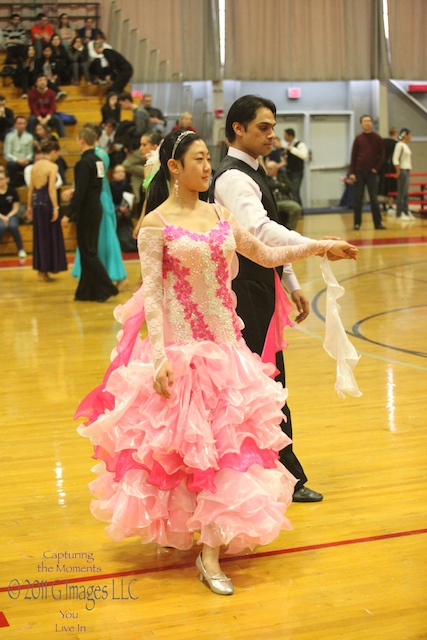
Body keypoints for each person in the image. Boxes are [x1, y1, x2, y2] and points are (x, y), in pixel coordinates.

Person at [75, 129, 357, 596]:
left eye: (209, 159)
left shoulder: (220, 215)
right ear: (174, 167)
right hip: (183, 353)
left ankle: (211, 553)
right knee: (187, 455)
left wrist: (319, 245)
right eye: (200, 160)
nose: (208, 168)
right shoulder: (155, 225)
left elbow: (265, 253)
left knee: (228, 453)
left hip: (228, 351)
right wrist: (162, 357)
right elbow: (155, 295)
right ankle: (200, 545)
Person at [211, 95, 331, 502]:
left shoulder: (252, 172)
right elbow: (259, 234)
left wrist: (292, 282)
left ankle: (273, 471)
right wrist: (317, 245)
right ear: (238, 129)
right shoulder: (233, 178)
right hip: (243, 296)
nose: (272, 134)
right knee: (262, 383)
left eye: (272, 126)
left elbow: (269, 233)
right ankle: (282, 474)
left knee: (267, 381)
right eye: (263, 127)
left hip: (262, 289)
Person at [61, 126, 119, 302]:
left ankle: (108, 287)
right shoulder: (98, 162)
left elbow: (80, 193)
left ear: (81, 141)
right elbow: (95, 186)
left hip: (86, 211)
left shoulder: (83, 163)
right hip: (97, 208)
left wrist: (67, 214)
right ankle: (86, 292)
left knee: (88, 252)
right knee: (88, 251)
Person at [71, 125, 128, 290]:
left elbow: (94, 182)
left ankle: (117, 274)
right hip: (97, 196)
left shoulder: (99, 154)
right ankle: (93, 275)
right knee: (94, 238)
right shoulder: (99, 153)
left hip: (98, 198)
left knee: (105, 236)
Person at [26, 140, 67, 282]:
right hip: (47, 203)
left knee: (40, 236)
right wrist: (56, 207)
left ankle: (41, 271)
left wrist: (29, 207)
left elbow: (31, 189)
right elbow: (51, 189)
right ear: (54, 151)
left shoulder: (34, 166)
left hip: (37, 203)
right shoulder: (52, 166)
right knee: (49, 235)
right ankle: (46, 269)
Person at [349, 115, 386, 230]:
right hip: (359, 172)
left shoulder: (377, 138)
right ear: (361, 124)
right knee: (358, 199)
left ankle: (378, 223)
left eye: (369, 121)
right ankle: (357, 223)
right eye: (365, 121)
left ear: (372, 123)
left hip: (372, 173)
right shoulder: (358, 139)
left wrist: (376, 168)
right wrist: (352, 172)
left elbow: (382, 155)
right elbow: (353, 156)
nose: (367, 123)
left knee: (374, 199)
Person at [265, 160, 302, 230]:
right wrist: (280, 185)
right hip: (273, 202)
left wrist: (277, 186)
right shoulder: (265, 178)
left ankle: (290, 229)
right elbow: (268, 188)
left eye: (270, 169)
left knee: (296, 208)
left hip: (285, 200)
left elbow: (289, 188)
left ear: (276, 169)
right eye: (267, 168)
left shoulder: (282, 177)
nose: (268, 171)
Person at [0, 166, 26, 258]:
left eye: (2, 179)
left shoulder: (12, 190)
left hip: (12, 215)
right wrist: (3, 217)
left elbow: (16, 207)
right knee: (1, 227)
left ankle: (21, 249)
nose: (0, 181)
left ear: (7, 179)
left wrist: (8, 216)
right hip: (0, 216)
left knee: (13, 226)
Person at [109, 164, 136, 252]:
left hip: (125, 209)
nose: (121, 174)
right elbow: (109, 202)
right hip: (113, 209)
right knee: (118, 215)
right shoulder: (110, 186)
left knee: (126, 215)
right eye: (118, 172)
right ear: (113, 174)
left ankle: (130, 241)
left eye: (122, 171)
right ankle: (117, 242)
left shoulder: (128, 185)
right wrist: (118, 208)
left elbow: (130, 199)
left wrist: (126, 207)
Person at [4, 115, 34, 187]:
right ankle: (13, 185)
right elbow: (7, 153)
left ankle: (31, 184)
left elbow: (30, 152)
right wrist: (17, 160)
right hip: (15, 161)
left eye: (24, 123)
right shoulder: (9, 136)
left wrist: (27, 159)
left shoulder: (29, 137)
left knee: (34, 163)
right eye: (19, 123)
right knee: (11, 164)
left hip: (25, 160)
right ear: (15, 125)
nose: (22, 126)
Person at [393, 128, 415, 221]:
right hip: (402, 170)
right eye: (410, 135)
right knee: (401, 193)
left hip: (407, 169)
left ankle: (405, 211)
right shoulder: (399, 145)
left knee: (405, 193)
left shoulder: (405, 145)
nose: (411, 137)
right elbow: (395, 159)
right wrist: (398, 171)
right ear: (405, 135)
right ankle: (399, 212)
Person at [283, 128, 308, 206]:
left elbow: (304, 155)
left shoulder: (300, 144)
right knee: (290, 191)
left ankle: (299, 211)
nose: (284, 137)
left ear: (290, 136)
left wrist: (292, 149)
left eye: (285, 135)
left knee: (295, 191)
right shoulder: (288, 145)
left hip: (297, 172)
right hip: (289, 171)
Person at [379, 126, 398, 213]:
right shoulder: (396, 143)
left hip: (383, 166)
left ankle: (383, 203)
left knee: (384, 184)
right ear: (395, 134)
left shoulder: (383, 141)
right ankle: (390, 204)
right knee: (392, 185)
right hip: (392, 166)